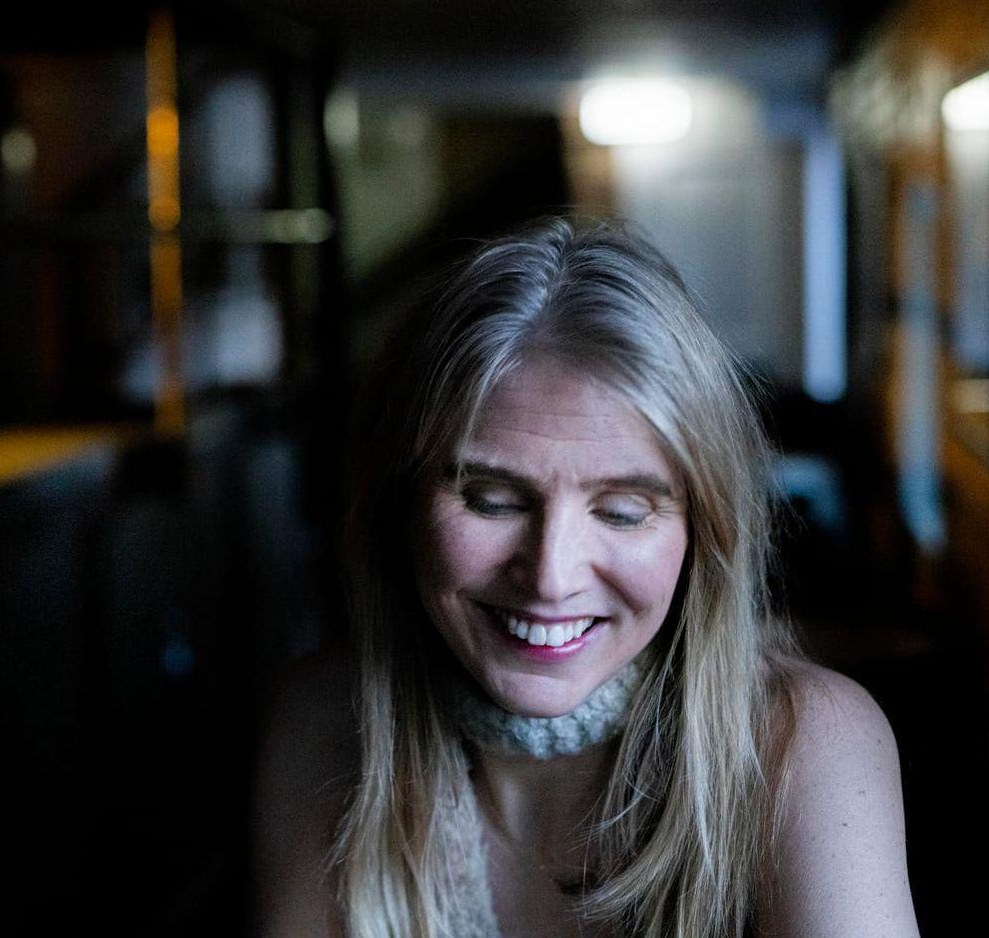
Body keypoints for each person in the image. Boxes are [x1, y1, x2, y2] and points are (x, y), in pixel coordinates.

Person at [251, 218, 918, 937]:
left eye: (623, 512)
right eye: (492, 500)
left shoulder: (805, 744)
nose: (550, 577)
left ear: (704, 530)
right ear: (398, 502)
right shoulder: (322, 723)